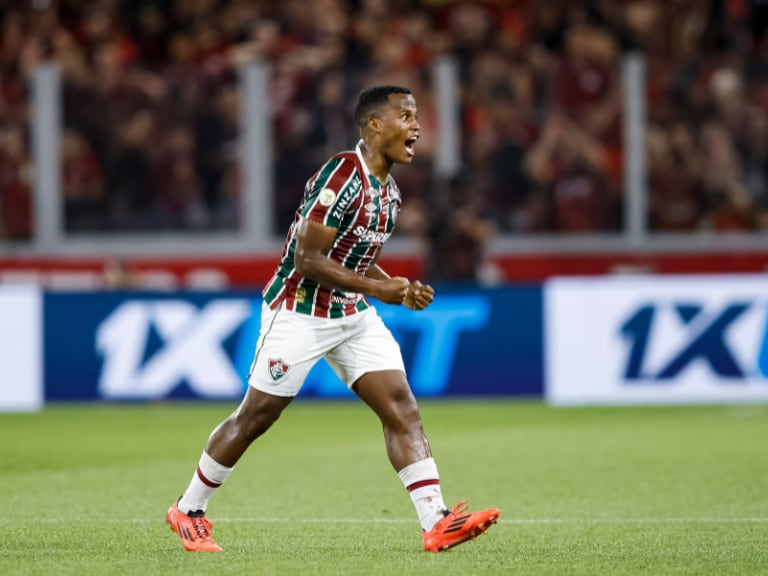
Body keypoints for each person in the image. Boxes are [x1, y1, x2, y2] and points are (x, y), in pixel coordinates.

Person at [166, 85, 501, 553]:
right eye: (405, 116)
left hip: (351, 313)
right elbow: (307, 259)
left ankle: (436, 521)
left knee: (401, 407)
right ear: (374, 126)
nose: (416, 126)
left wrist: (395, 289)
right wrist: (380, 289)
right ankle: (188, 509)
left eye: (416, 116)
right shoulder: (342, 174)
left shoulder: (390, 193)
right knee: (256, 417)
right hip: (299, 310)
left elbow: (357, 262)